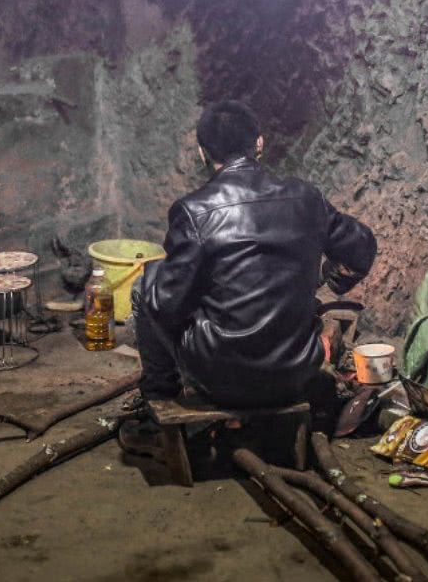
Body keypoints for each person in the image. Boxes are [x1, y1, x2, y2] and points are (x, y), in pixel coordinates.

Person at [131, 100, 377, 411]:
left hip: (220, 378)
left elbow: (167, 304)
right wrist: (331, 279)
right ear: (259, 143)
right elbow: (362, 247)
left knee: (145, 285)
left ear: (201, 152)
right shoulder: (306, 197)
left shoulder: (193, 210)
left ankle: (159, 395)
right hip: (296, 370)